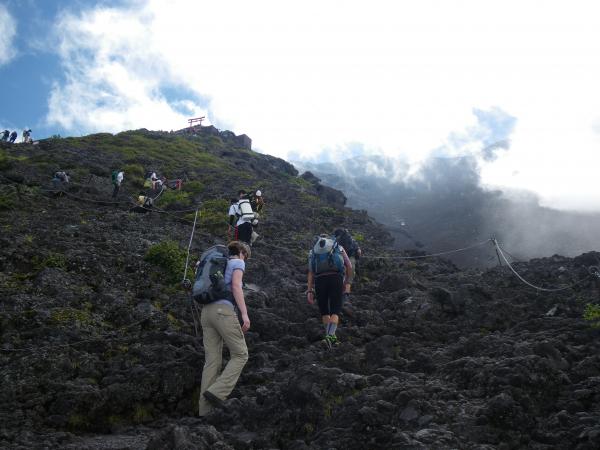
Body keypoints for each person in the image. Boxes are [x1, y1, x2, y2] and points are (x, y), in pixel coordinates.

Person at [199, 241, 251, 416]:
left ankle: (204, 412)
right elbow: (236, 286)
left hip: (206, 312)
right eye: (246, 256)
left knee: (212, 361)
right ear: (241, 252)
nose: (245, 259)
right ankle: (217, 392)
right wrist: (244, 314)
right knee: (241, 354)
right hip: (223, 311)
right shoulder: (238, 262)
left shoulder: (214, 262)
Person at [307, 234, 352, 348]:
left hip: (320, 280)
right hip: (336, 278)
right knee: (335, 310)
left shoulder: (313, 252)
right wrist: (347, 282)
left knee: (325, 312)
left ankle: (331, 339)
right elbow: (349, 266)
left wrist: (309, 291)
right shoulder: (338, 247)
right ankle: (330, 336)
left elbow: (311, 272)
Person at [333, 228, 362, 303]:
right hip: (350, 257)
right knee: (350, 275)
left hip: (339, 257)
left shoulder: (335, 240)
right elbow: (358, 251)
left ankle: (338, 291)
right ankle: (346, 293)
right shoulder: (350, 238)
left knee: (340, 273)